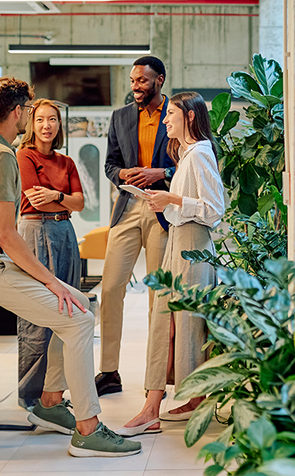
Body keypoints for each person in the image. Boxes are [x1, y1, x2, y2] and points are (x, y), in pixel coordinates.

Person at [0, 76, 141, 457]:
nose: (40, 122)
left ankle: (52, 403)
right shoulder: (2, 156)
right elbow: (7, 233)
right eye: (33, 114)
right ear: (19, 112)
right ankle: (88, 428)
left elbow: (73, 202)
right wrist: (52, 281)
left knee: (83, 305)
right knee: (78, 318)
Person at [114, 91, 225, 436]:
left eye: (171, 115)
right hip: (180, 239)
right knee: (170, 322)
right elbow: (191, 204)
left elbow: (214, 210)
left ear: (189, 117)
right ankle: (170, 402)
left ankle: (171, 403)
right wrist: (163, 203)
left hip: (192, 242)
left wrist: (172, 198)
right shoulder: (188, 155)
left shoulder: (200, 155)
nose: (165, 121)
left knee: (184, 324)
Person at [96, 56, 176, 397]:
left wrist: (163, 174)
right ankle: (109, 372)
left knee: (158, 297)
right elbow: (110, 165)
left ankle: (155, 379)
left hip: (161, 209)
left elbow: (199, 155)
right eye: (133, 81)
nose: (135, 87)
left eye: (142, 81)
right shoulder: (121, 116)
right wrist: (123, 174)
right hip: (127, 208)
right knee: (112, 288)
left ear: (159, 80)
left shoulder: (178, 113)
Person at [16, 98, 85, 410]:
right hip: (34, 231)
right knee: (36, 315)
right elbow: (36, 200)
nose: (47, 126)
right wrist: (65, 199)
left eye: (53, 120)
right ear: (32, 124)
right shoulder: (23, 156)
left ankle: (54, 392)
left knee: (66, 309)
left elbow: (80, 204)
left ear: (59, 125)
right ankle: (30, 396)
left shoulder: (66, 161)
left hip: (65, 234)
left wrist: (58, 196)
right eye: (41, 120)